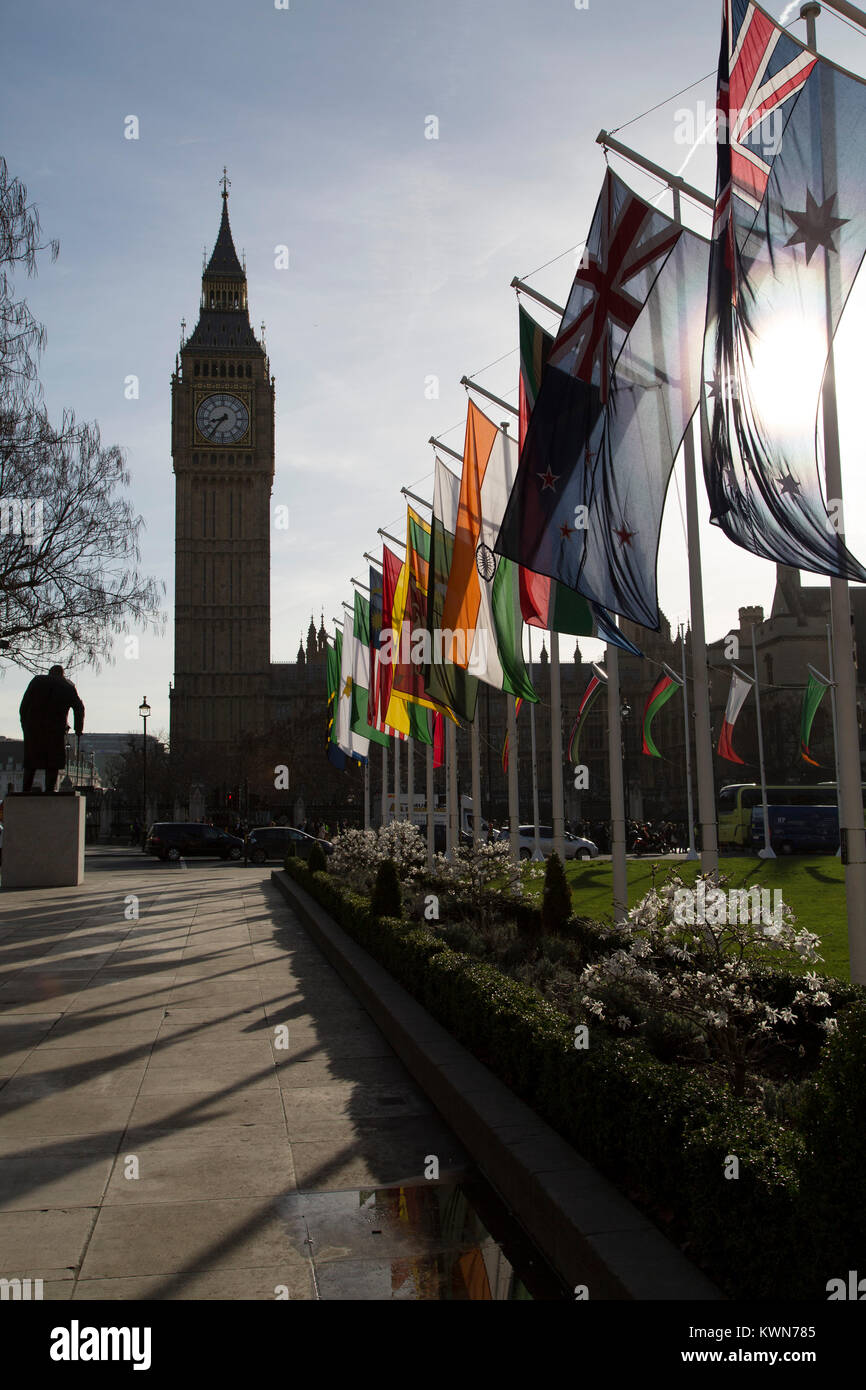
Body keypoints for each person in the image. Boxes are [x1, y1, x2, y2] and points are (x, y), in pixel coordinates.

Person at [19, 665, 85, 794]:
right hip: (56, 730)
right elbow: (79, 708)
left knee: (31, 762)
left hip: (34, 729)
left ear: (50, 673)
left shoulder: (36, 681)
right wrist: (78, 729)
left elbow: (23, 706)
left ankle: (25, 790)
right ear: (62, 674)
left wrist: (25, 724)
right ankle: (49, 790)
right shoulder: (67, 686)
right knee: (53, 762)